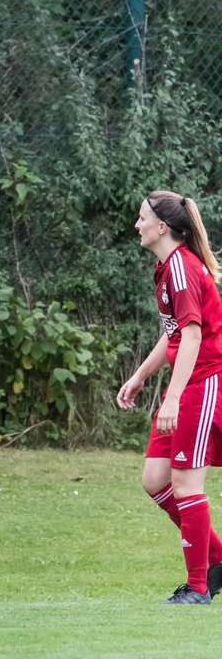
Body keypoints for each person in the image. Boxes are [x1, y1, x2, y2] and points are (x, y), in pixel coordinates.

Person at [117, 191, 222, 604]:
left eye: (142, 218)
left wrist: (175, 398)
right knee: (155, 481)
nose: (137, 225)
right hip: (186, 384)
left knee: (184, 485)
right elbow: (176, 331)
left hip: (203, 384)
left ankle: (199, 587)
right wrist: (142, 375)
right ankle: (216, 559)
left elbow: (194, 336)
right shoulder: (168, 267)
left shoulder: (180, 268)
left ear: (162, 227)